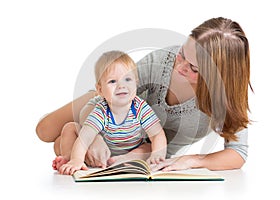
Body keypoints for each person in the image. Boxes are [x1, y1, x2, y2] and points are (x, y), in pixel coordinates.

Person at [36, 17, 252, 172]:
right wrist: (95, 137)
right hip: (108, 106)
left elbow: (238, 153)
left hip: (140, 149)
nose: (181, 67)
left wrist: (193, 160)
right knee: (45, 130)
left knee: (61, 146)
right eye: (182, 54)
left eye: (193, 69)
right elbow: (116, 91)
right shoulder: (163, 62)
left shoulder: (226, 99)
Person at [54, 50, 167, 175]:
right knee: (70, 127)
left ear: (136, 83)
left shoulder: (140, 107)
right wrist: (77, 158)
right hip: (99, 155)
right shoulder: (101, 111)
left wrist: (157, 155)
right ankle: (71, 159)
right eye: (112, 81)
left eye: (127, 79)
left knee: (149, 147)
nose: (121, 85)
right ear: (100, 90)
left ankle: (123, 160)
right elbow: (84, 138)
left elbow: (157, 134)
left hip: (131, 151)